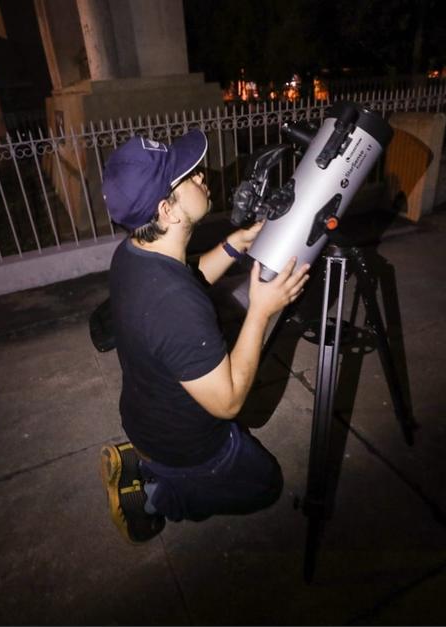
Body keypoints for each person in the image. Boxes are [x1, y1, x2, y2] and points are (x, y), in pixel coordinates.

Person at [99, 130, 310, 543]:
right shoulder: (175, 307)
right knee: (266, 486)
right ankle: (155, 496)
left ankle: (145, 459)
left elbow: (189, 276)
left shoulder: (133, 255)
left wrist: (236, 244)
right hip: (190, 447)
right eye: (188, 177)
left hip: (147, 419)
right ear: (168, 210)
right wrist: (262, 310)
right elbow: (229, 401)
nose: (201, 176)